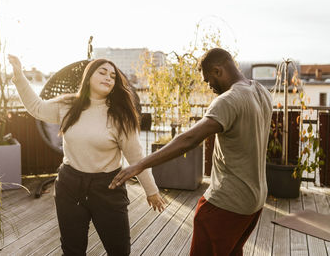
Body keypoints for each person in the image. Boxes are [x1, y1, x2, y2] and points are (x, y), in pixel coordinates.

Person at [109, 48, 273, 256]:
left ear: (217, 70)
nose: (209, 86)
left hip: (226, 203)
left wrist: (140, 164)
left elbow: (188, 140)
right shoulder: (260, 91)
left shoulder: (228, 100)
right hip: (255, 201)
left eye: (207, 80)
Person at [8, 55, 165, 256]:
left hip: (108, 188)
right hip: (70, 186)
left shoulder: (121, 116)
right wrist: (19, 76)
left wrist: (151, 191)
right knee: (72, 251)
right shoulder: (68, 105)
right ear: (89, 76)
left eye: (113, 76)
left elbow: (136, 158)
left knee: (119, 251)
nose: (109, 78)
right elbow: (37, 107)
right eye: (102, 72)